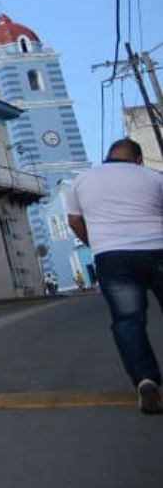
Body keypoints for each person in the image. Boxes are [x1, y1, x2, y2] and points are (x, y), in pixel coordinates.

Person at [66, 138, 163, 415]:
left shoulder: (81, 181)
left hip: (112, 257)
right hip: (157, 249)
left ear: (109, 156)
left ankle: (145, 380)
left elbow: (74, 221)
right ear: (138, 159)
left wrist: (96, 245)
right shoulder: (153, 177)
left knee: (128, 321)